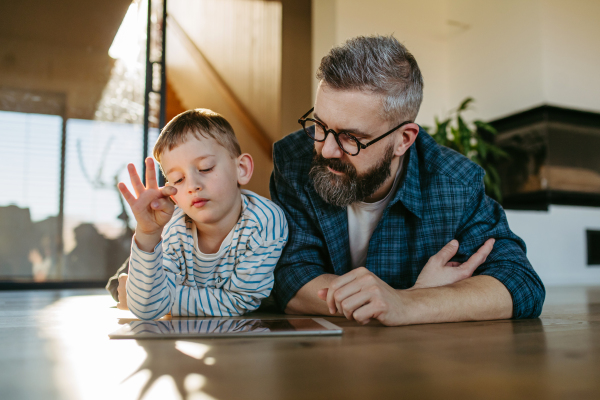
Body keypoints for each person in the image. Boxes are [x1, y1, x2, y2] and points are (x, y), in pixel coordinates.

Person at [270, 35, 545, 326]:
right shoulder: (295, 159)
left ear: (404, 139)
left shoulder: (456, 182)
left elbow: (521, 283)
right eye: (320, 125)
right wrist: (409, 295)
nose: (326, 149)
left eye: (351, 137)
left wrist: (407, 303)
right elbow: (292, 279)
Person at [117, 109, 288, 320]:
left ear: (241, 168)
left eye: (205, 168)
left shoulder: (265, 220)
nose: (193, 186)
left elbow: (241, 300)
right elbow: (147, 309)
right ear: (174, 195)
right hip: (165, 264)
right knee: (122, 283)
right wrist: (147, 233)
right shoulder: (174, 228)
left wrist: (165, 300)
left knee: (134, 290)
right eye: (178, 180)